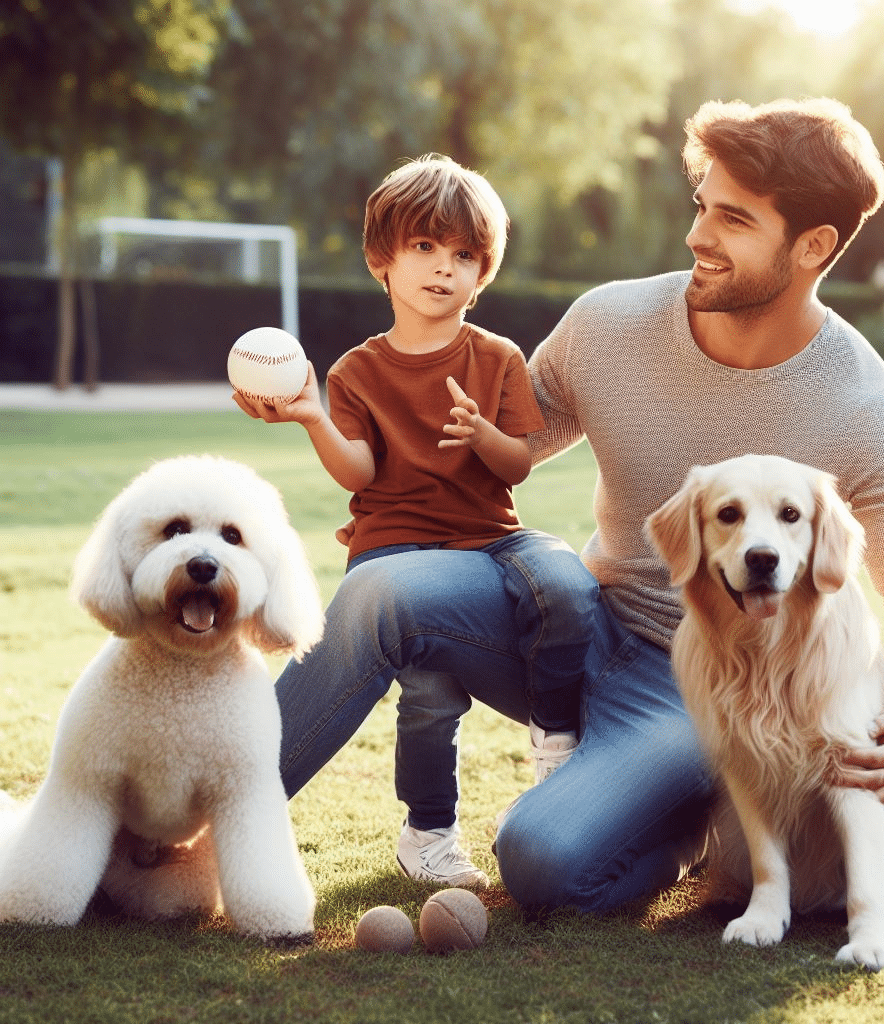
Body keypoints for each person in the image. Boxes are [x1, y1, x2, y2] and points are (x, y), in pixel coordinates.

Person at [269, 97, 884, 915]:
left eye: (734, 220)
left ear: (813, 246)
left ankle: (677, 823)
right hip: (572, 625)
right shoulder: (609, 323)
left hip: (695, 690)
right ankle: (210, 815)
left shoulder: (868, 412)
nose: (698, 237)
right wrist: (341, 427)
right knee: (376, 593)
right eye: (701, 206)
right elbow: (496, 446)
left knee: (540, 863)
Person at [233, 154, 598, 889]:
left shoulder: (495, 356)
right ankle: (428, 832)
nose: (444, 269)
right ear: (382, 261)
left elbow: (517, 467)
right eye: (425, 248)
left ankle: (555, 738)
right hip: (394, 551)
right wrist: (311, 416)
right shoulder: (359, 371)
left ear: (483, 272)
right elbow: (359, 472)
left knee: (563, 575)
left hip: (491, 541)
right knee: (430, 698)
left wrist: (482, 436)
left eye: (465, 255)